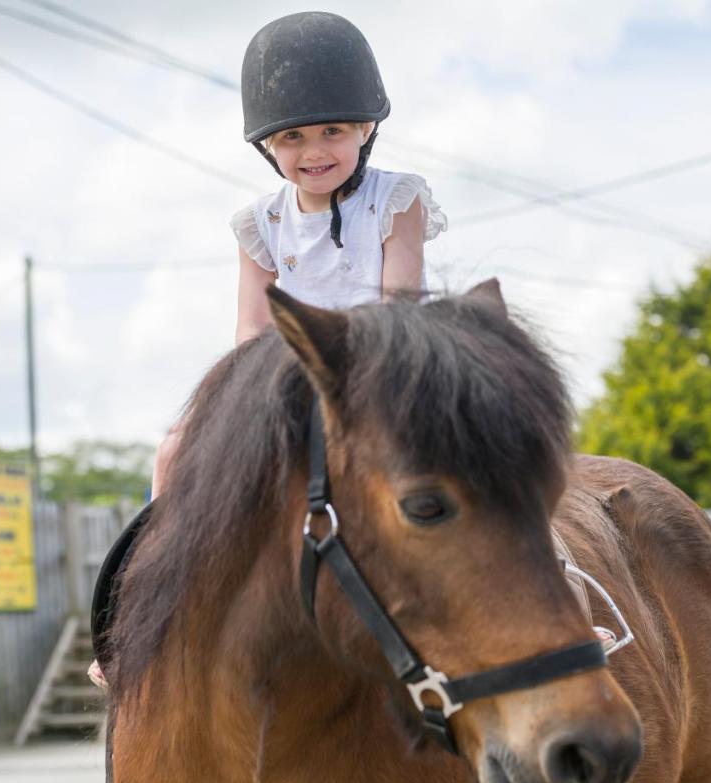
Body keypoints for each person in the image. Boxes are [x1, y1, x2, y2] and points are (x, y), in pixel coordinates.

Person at [89, 11, 445, 690]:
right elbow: (251, 331)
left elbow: (403, 300)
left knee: (476, 448)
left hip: (381, 369)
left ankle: (563, 595)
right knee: (172, 450)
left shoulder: (396, 200)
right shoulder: (260, 223)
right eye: (292, 137)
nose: (314, 150)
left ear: (366, 128)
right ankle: (147, 618)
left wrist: (352, 367)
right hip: (287, 377)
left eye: (332, 130)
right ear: (268, 146)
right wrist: (257, 396)